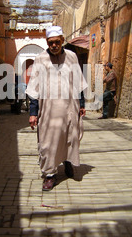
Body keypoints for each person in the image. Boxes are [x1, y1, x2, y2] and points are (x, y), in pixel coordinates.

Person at [26, 26, 88, 192]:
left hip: (70, 106)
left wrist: (82, 104)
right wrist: (33, 113)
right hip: (48, 109)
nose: (54, 45)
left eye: (57, 42)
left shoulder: (72, 57)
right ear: (47, 42)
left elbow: (78, 82)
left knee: (70, 136)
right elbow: (34, 88)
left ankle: (67, 162)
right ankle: (49, 175)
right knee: (48, 142)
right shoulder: (40, 59)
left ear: (62, 40)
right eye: (51, 42)